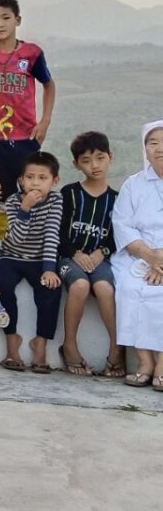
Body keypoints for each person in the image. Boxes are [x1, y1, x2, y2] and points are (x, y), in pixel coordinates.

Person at [0, 0, 56, 239]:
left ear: (18, 20)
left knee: (31, 191)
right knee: (0, 197)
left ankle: (33, 240)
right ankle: (4, 241)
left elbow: (49, 85)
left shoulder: (31, 54)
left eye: (6, 17)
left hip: (25, 138)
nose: (0, 24)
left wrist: (45, 121)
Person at [57, 131, 122, 377]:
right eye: (86, 160)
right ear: (76, 164)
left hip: (100, 259)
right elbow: (59, 232)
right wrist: (75, 253)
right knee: (80, 286)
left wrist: (101, 253)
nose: (94, 165)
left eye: (100, 158)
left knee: (105, 288)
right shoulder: (69, 193)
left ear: (110, 157)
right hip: (69, 259)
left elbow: (117, 236)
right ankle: (70, 346)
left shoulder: (117, 199)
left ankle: (117, 348)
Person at [0, 152, 64, 373]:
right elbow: (15, 239)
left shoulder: (55, 201)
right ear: (21, 180)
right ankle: (11, 340)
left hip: (39, 258)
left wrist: (49, 269)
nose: (35, 183)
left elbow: (52, 235)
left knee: (51, 289)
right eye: (30, 177)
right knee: (3, 285)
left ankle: (40, 344)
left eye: (42, 178)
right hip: (11, 255)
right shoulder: (13, 201)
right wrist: (24, 209)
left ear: (54, 181)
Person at [111, 120, 163, 389]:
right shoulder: (133, 185)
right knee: (130, 288)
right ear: (145, 149)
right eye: (153, 143)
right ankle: (145, 363)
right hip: (138, 256)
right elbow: (122, 225)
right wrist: (150, 257)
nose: (159, 148)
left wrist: (160, 261)